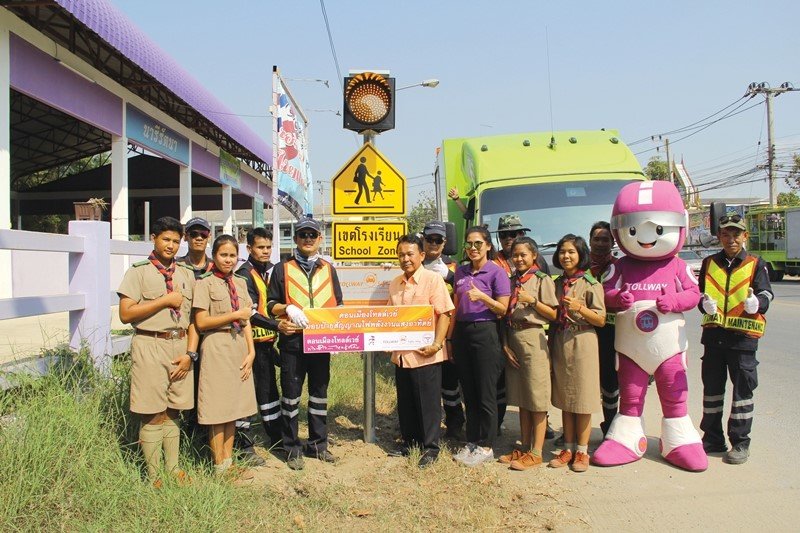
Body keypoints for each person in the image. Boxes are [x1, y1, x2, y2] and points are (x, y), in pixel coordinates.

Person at [117, 216, 198, 484]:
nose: (171, 245)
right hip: (150, 343)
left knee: (174, 408)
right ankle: (154, 475)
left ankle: (173, 469)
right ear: (153, 238)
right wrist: (164, 301)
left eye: (176, 241)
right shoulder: (138, 272)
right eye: (166, 239)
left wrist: (190, 354)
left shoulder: (186, 274)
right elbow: (126, 314)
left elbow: (193, 320)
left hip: (179, 345)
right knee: (152, 410)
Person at [267, 218, 344, 470]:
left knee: (319, 395)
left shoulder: (328, 269)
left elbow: (339, 304)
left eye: (312, 234)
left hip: (321, 343)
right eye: (303, 235)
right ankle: (291, 448)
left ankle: (318, 445)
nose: (308, 239)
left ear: (320, 239)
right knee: (290, 397)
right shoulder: (282, 268)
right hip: (292, 343)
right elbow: (269, 306)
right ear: (296, 239)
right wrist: (286, 308)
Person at [698, 214, 773, 464]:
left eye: (736, 234)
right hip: (714, 338)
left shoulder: (756, 263)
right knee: (712, 392)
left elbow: (766, 294)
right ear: (719, 237)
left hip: (743, 340)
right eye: (726, 234)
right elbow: (700, 295)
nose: (731, 239)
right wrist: (703, 305)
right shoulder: (709, 263)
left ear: (745, 236)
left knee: (742, 394)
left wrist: (757, 303)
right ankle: (712, 438)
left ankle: (740, 443)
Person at [193, 234, 257, 479]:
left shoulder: (240, 282)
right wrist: (233, 315)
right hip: (216, 344)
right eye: (223, 255)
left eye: (232, 255)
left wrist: (251, 351)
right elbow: (201, 321)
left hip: (238, 345)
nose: (228, 260)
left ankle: (229, 462)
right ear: (214, 255)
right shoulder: (205, 283)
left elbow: (246, 319)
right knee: (217, 409)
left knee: (233, 407)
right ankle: (218, 464)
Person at [387, 234, 454, 468]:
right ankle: (410, 443)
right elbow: (389, 317)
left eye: (410, 254)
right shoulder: (395, 283)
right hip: (402, 355)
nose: (405, 259)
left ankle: (431, 448)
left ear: (422, 256)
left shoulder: (433, 280)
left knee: (428, 404)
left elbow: (444, 313)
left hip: (426, 353)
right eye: (401, 255)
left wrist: (437, 344)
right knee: (406, 403)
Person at [449, 226, 511, 467]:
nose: (473, 248)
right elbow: (455, 306)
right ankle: (472, 441)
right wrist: (451, 339)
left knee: (486, 392)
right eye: (469, 244)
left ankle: (486, 445)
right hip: (463, 332)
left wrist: (484, 297)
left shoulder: (496, 273)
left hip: (485, 331)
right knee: (469, 391)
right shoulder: (461, 271)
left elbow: (503, 309)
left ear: (487, 245)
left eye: (477, 244)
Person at [499, 237, 558, 471]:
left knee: (537, 398)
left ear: (534, 255)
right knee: (522, 398)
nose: (519, 259)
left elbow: (553, 314)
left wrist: (532, 301)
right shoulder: (512, 280)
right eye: (515, 255)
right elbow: (504, 315)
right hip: (513, 339)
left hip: (533, 338)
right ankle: (524, 447)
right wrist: (505, 345)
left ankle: (536, 451)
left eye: (523, 254)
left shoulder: (542, 280)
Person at [548, 234, 606, 473]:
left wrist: (579, 308)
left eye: (571, 252)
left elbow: (601, 319)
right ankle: (568, 447)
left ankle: (582, 451)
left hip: (583, 341)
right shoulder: (556, 283)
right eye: (562, 251)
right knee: (565, 396)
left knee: (582, 398)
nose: (566, 256)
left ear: (581, 255)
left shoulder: (591, 284)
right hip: (561, 339)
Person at [492, 214, 551, 438]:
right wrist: (504, 342)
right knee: (518, 392)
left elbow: (551, 306)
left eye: (513, 234)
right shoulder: (494, 260)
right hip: (507, 332)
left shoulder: (539, 267)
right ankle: (520, 438)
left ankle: (540, 436)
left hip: (535, 336)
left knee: (537, 390)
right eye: (504, 235)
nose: (508, 238)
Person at [236, 228, 287, 449]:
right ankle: (243, 445)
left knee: (269, 393)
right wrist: (277, 326)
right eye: (260, 247)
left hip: (267, 344)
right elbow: (251, 313)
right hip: (249, 346)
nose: (265, 251)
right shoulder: (244, 274)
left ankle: (276, 438)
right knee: (248, 394)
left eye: (268, 247)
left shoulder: (270, 271)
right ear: (249, 248)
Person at [421, 220, 464, 438]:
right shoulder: (413, 263)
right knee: (424, 384)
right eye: (430, 239)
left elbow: (465, 292)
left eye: (438, 240)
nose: (434, 243)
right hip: (419, 333)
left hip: (446, 333)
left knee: (449, 383)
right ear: (423, 240)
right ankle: (426, 425)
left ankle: (455, 422)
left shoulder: (454, 267)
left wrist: (450, 276)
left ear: (444, 242)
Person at [588, 221, 619, 435]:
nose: (600, 243)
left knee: (610, 384)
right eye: (596, 239)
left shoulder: (621, 268)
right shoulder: (580, 268)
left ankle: (610, 427)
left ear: (613, 242)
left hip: (612, 334)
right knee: (580, 382)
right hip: (585, 332)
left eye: (605, 239)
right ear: (589, 241)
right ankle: (572, 433)